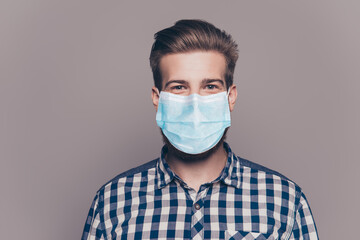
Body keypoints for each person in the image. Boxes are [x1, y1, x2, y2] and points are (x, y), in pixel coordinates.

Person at [81, 19, 318, 240]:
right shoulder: (113, 201)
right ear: (157, 98)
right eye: (179, 87)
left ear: (230, 97)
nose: (194, 104)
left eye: (210, 86)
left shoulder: (284, 199)